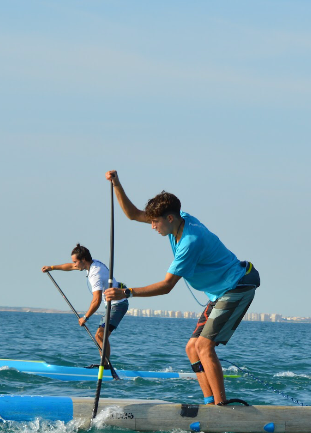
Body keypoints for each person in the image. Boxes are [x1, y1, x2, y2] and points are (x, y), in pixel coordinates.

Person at [102, 170, 259, 406]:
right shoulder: (178, 218)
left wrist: (127, 293)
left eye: (156, 222)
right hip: (220, 292)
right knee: (191, 348)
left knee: (204, 346)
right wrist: (116, 184)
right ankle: (209, 402)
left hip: (237, 286)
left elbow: (166, 286)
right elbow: (134, 214)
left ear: (171, 219)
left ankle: (221, 408)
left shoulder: (190, 242)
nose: (152, 226)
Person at [42, 243, 129, 363]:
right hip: (114, 304)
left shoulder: (95, 274)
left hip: (118, 304)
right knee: (100, 335)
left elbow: (96, 300)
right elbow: (70, 267)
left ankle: (105, 366)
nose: (75, 264)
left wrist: (85, 317)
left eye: (76, 261)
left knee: (100, 335)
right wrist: (51, 267)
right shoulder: (93, 263)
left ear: (83, 260)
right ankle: (104, 364)